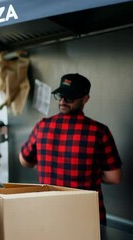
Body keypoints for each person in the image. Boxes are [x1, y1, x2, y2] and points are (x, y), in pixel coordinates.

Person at [19, 73, 122, 225]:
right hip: (87, 218)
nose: (62, 101)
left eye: (69, 97)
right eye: (60, 95)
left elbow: (24, 161)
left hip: (48, 216)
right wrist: (88, 173)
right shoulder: (99, 131)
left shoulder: (42, 126)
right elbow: (114, 177)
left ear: (85, 99)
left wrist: (46, 165)